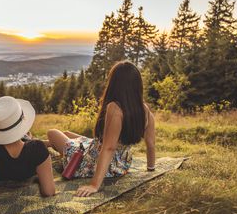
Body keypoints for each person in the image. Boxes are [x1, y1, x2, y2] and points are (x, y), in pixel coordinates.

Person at [45, 61, 155, 197]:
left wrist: (94, 185)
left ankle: (40, 143)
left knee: (53, 133)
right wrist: (151, 168)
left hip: (96, 162)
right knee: (67, 134)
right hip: (122, 163)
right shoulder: (145, 110)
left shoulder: (115, 108)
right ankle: (42, 144)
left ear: (115, 84)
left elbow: (109, 148)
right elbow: (150, 144)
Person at [0, 96, 55, 201]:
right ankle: (27, 138)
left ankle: (27, 138)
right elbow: (49, 192)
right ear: (22, 120)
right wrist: (39, 179)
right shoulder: (38, 149)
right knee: (29, 140)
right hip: (30, 147)